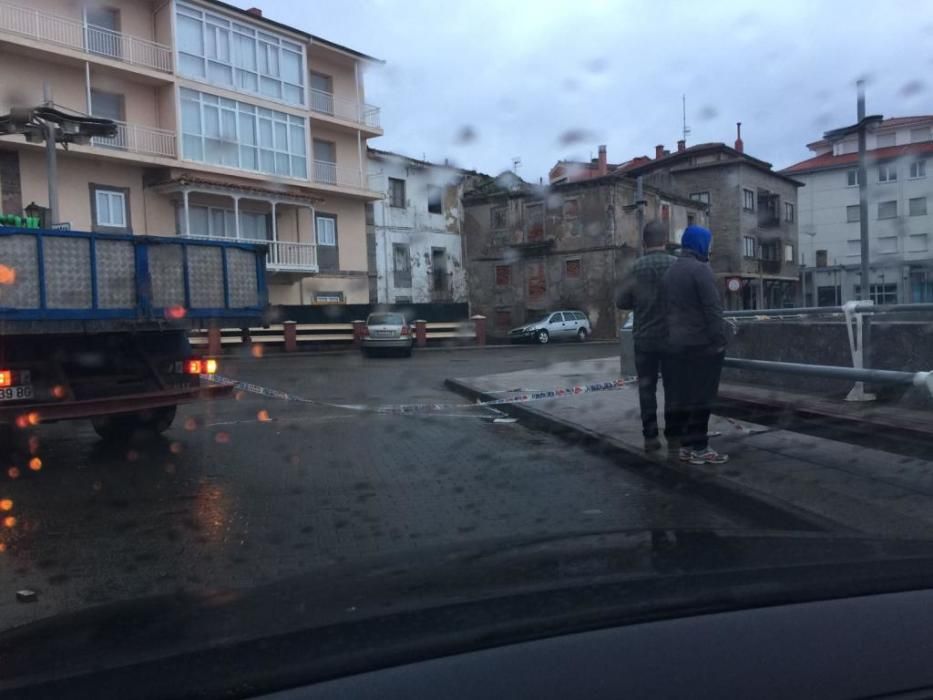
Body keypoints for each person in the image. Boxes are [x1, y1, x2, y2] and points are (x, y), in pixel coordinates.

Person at [663, 225, 729, 465]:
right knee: (703, 397)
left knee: (685, 396)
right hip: (701, 344)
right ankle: (700, 447)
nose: (710, 248)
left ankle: (685, 446)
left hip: (676, 344)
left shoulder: (672, 270)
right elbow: (713, 309)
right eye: (708, 243)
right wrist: (719, 340)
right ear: (700, 244)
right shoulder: (701, 270)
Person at [616, 220, 677, 452]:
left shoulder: (635, 268)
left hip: (644, 338)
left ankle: (650, 436)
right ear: (666, 240)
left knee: (646, 389)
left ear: (644, 242)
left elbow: (621, 301)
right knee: (673, 388)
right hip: (673, 338)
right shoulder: (676, 265)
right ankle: (673, 434)